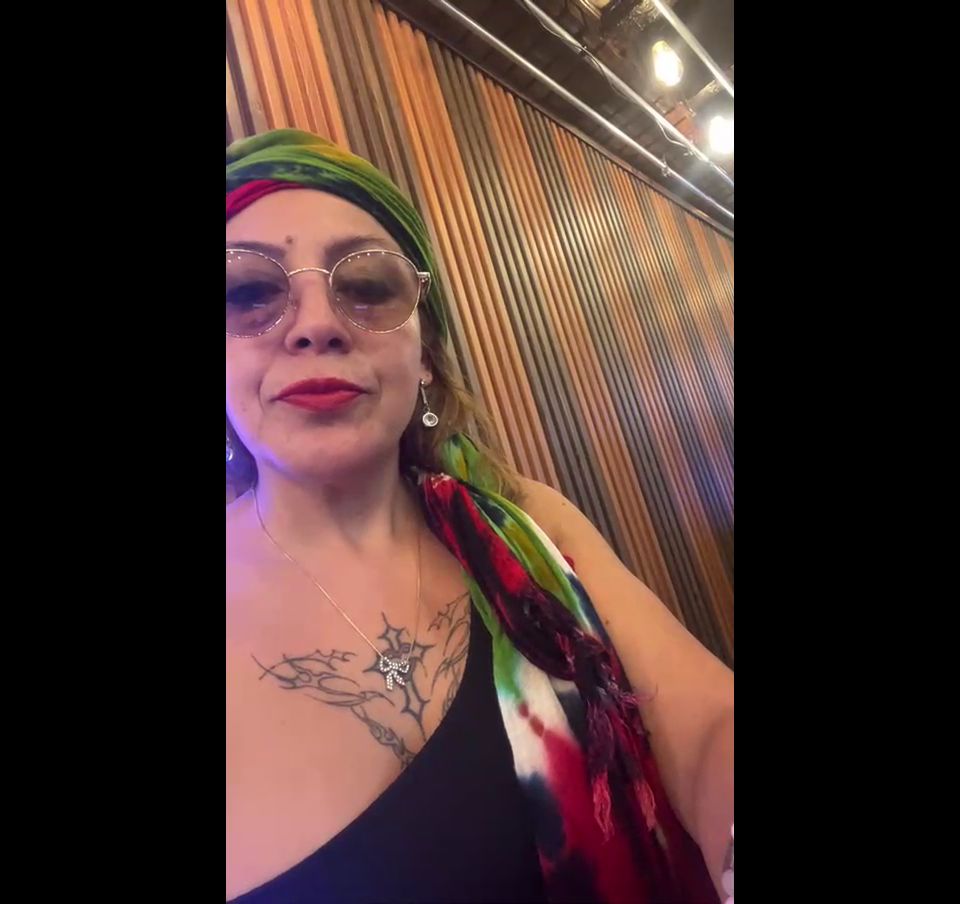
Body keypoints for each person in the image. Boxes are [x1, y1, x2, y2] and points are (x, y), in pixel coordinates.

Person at [226, 129, 733, 904]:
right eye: (247, 294)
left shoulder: (530, 529)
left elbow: (707, 729)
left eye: (368, 286)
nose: (315, 324)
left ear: (426, 353)